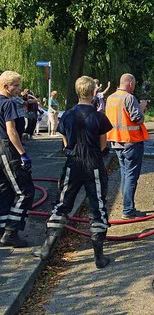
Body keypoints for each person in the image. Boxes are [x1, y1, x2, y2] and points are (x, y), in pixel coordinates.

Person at [34, 76, 113, 268]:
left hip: (73, 163)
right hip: (93, 163)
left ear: (77, 92)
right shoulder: (99, 116)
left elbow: (64, 141)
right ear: (94, 93)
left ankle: (46, 248)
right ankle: (99, 257)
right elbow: (103, 145)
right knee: (98, 205)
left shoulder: (67, 115)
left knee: (63, 203)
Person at [105, 73, 149, 219]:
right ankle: (128, 210)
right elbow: (138, 119)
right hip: (131, 142)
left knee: (124, 174)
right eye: (134, 84)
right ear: (130, 83)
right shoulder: (129, 98)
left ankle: (128, 207)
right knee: (131, 176)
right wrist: (141, 107)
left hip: (116, 142)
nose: (134, 87)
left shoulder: (111, 98)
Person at [0, 71, 35, 247]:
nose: (19, 89)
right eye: (16, 86)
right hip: (8, 149)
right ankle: (11, 232)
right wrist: (22, 154)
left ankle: (2, 228)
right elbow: (11, 131)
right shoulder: (8, 104)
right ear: (6, 86)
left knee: (5, 190)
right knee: (25, 191)